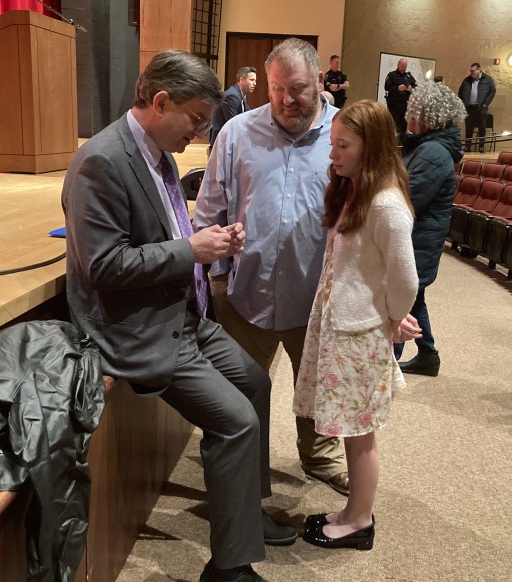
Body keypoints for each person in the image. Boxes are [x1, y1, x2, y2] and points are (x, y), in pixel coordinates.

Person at [62, 49, 297, 582]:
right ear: (160, 101)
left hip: (182, 315)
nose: (196, 132)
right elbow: (103, 266)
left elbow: (166, 233)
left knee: (256, 383)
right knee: (236, 424)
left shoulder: (159, 153)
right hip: (136, 329)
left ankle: (244, 512)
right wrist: (193, 250)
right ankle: (228, 568)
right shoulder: (101, 161)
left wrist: (210, 244)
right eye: (193, 118)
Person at [195, 38, 350, 496]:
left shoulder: (345, 134)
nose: (285, 99)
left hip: (318, 299)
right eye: (276, 88)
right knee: (238, 396)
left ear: (320, 81)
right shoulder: (237, 133)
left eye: (297, 88)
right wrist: (218, 278)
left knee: (319, 387)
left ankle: (320, 457)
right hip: (245, 295)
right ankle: (241, 473)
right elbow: (209, 210)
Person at [294, 99, 419, 550]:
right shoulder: (359, 191)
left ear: (373, 146)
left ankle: (360, 520)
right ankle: (351, 511)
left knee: (360, 432)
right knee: (350, 427)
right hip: (344, 325)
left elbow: (406, 278)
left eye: (343, 145)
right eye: (333, 144)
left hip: (359, 332)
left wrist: (392, 317)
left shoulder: (386, 204)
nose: (333, 154)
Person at [394, 82, 466, 376]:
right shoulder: (428, 147)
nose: (408, 119)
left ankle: (387, 364)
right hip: (417, 240)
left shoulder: (434, 152)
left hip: (416, 242)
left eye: (412, 112)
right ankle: (428, 355)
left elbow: (407, 199)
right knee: (414, 298)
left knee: (400, 301)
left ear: (426, 116)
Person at [209, 66, 257, 147]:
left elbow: (250, 115)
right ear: (241, 80)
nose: (254, 83)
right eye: (252, 80)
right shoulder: (232, 96)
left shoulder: (240, 95)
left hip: (229, 141)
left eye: (255, 81)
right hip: (221, 144)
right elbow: (233, 123)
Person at [457, 62, 496, 152]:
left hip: (481, 108)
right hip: (469, 107)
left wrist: (486, 103)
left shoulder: (487, 79)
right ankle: (468, 146)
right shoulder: (466, 80)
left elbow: (492, 91)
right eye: (470, 71)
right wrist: (463, 103)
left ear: (479, 70)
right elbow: (460, 92)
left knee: (482, 128)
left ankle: (481, 146)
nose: (471, 73)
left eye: (473, 71)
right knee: (469, 127)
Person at [384, 58, 417, 137]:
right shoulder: (391, 75)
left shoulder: (408, 76)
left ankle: (402, 139)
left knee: (403, 123)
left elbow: (415, 86)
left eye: (405, 66)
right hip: (394, 104)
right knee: (393, 123)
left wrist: (411, 88)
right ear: (398, 65)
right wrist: (397, 88)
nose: (403, 67)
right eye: (402, 65)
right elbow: (387, 87)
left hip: (405, 104)